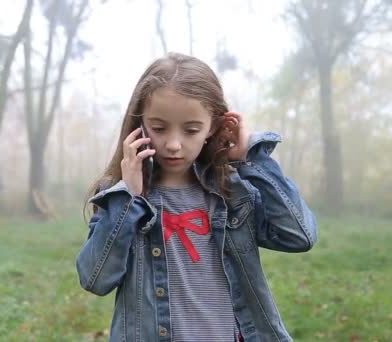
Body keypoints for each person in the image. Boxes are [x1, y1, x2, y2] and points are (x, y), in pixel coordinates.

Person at [75, 52, 318, 342]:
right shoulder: (121, 199)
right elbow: (95, 279)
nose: (174, 144)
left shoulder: (233, 192)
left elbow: (299, 235)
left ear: (213, 126)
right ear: (140, 124)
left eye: (191, 130)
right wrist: (128, 199)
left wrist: (252, 159)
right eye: (159, 127)